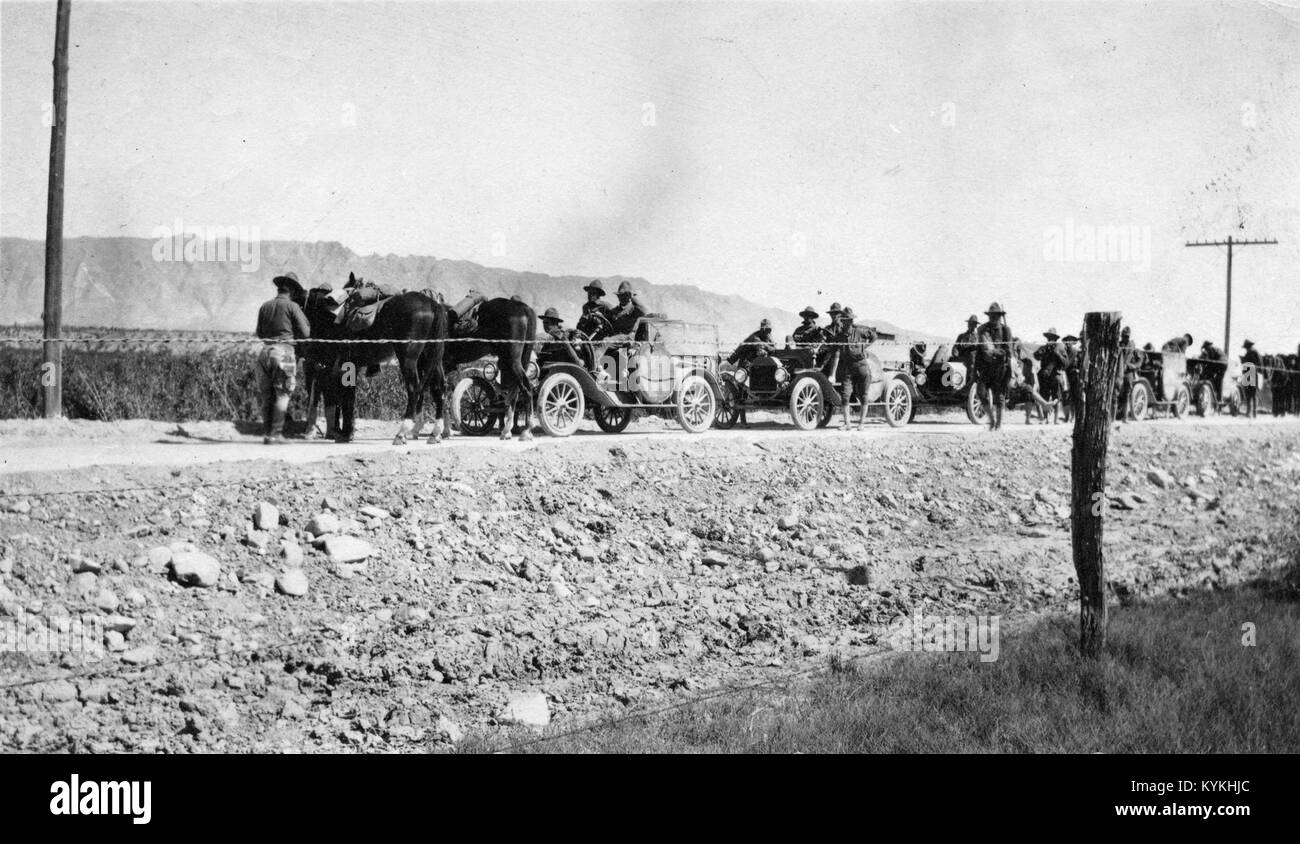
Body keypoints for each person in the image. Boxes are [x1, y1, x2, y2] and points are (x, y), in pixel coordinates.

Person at [255, 272, 311, 444]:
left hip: (264, 352)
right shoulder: (293, 307)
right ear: (292, 290)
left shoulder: (265, 306)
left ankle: (267, 432)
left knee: (267, 396)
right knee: (283, 394)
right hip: (284, 352)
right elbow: (306, 332)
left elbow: (259, 332)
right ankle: (276, 434)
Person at [832, 307, 877, 431]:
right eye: (846, 320)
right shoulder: (840, 336)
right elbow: (833, 348)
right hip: (848, 368)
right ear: (842, 321)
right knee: (845, 396)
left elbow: (874, 336)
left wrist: (865, 346)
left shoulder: (860, 331)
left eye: (850, 320)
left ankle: (862, 423)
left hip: (862, 367)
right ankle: (847, 424)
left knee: (863, 395)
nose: (848, 322)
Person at [975, 302, 1012, 430]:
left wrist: (995, 352)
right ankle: (991, 420)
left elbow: (1008, 351)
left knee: (999, 397)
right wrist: (975, 371)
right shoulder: (982, 330)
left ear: (1000, 316)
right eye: (991, 315)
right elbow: (979, 352)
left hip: (1000, 368)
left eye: (996, 315)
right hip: (985, 368)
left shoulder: (1006, 330)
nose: (993, 318)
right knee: (981, 393)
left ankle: (999, 425)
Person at [1034, 327, 1068, 424]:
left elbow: (1065, 363)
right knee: (1044, 396)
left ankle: (1056, 419)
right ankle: (1045, 418)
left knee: (1056, 397)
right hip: (1044, 376)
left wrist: (1057, 354)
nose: (1050, 339)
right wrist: (1042, 351)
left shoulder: (1060, 347)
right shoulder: (1044, 347)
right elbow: (1036, 356)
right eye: (1049, 337)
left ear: (1056, 338)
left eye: (1052, 337)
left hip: (1055, 375)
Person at [1061, 334, 1081, 422]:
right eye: (1067, 341)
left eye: (1070, 341)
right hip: (1065, 374)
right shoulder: (1063, 351)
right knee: (1066, 396)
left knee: (1074, 396)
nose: (1068, 343)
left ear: (1073, 342)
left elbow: (1080, 364)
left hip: (1074, 375)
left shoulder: (1076, 352)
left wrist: (1078, 370)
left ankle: (1073, 416)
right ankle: (1067, 416)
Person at [1240, 339, 1261, 419]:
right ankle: (1251, 412)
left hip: (1251, 373)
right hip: (1249, 373)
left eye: (1246, 347)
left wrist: (1243, 360)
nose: (1246, 349)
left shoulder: (1253, 352)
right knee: (1251, 394)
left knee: (1251, 394)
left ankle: (1251, 412)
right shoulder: (1253, 352)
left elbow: (1256, 364)